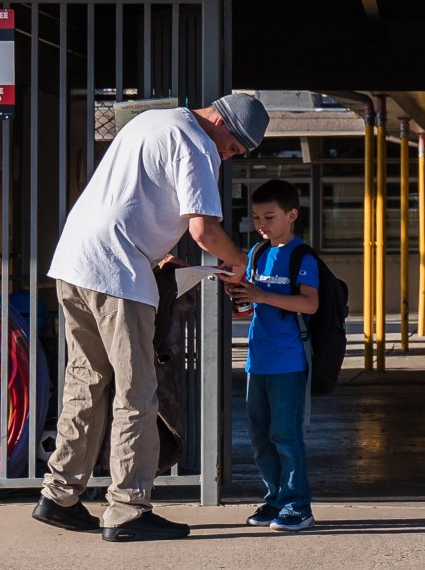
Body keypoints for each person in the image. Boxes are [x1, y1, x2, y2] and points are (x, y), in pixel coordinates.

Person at [32, 93, 269, 542]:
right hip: (118, 271)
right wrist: (239, 262)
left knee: (86, 379)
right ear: (219, 121)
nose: (228, 155)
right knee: (137, 391)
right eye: (233, 147)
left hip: (75, 262)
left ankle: (59, 495)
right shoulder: (197, 143)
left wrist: (159, 254)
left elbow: (134, 199)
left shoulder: (152, 122)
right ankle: (127, 508)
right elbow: (203, 229)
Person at [225, 179, 318, 532]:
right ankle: (276, 498)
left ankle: (298, 505)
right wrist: (242, 297)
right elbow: (252, 303)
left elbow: (310, 303)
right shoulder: (256, 253)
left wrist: (262, 297)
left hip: (289, 361)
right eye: (255, 218)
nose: (261, 225)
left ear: (291, 215)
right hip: (257, 361)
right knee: (260, 436)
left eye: (269, 216)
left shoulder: (301, 256)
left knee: (285, 434)